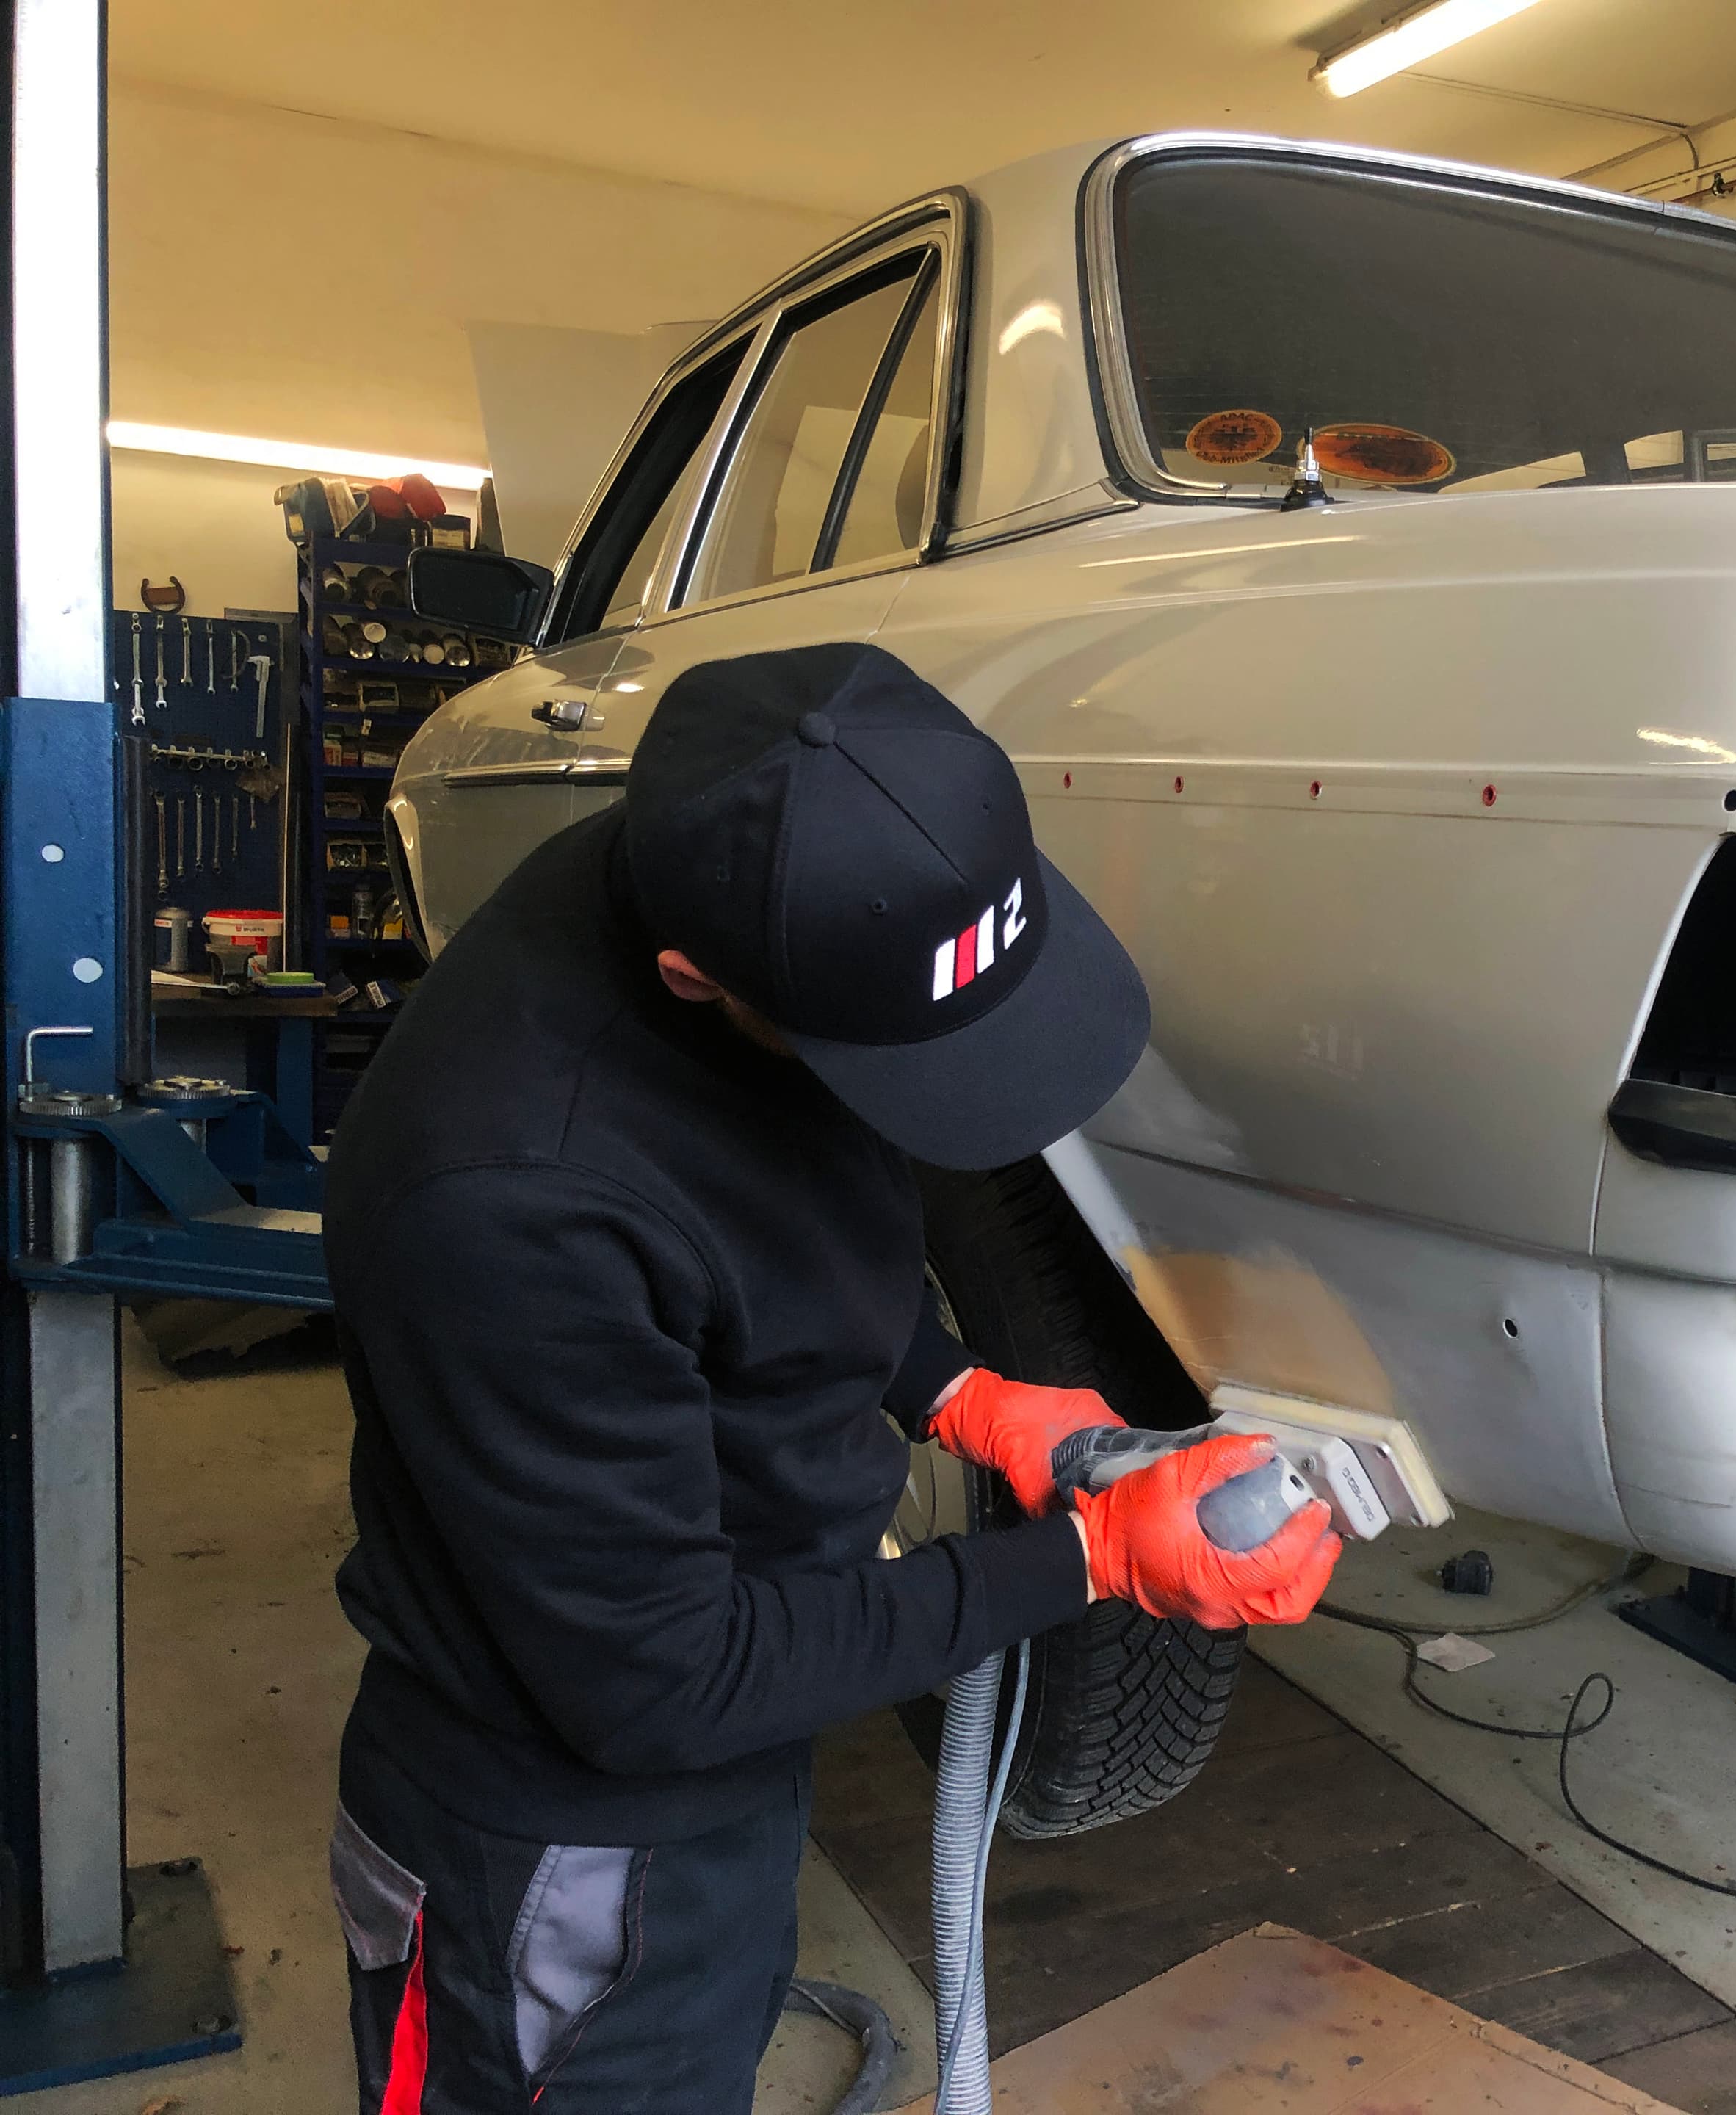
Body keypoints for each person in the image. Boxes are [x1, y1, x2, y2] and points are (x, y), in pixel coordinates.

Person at [322, 643, 1339, 2111]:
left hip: (729, 1754)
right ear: (694, 977)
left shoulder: (729, 891)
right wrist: (1088, 1561)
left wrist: (952, 1389)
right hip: (553, 1853)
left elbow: (759, 1226)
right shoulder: (503, 1196)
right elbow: (665, 1685)